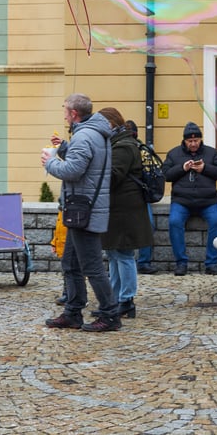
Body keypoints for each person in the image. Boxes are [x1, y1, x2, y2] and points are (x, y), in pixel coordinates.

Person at [41, 93, 120, 332]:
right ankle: (73, 312)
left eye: (65, 109)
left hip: (82, 209)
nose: (63, 113)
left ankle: (110, 315)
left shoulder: (84, 136)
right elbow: (87, 164)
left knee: (92, 266)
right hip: (82, 207)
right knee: (71, 263)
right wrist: (65, 148)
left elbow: (73, 171)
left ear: (74, 113)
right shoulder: (91, 133)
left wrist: (49, 162)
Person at [98, 108, 153, 319]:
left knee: (124, 255)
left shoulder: (124, 146)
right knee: (114, 253)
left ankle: (126, 300)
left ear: (111, 124)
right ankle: (114, 299)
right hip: (118, 209)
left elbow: (112, 176)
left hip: (125, 211)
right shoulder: (117, 143)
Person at [162, 121, 217, 276]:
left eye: (196, 140)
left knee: (216, 222)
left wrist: (205, 168)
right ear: (184, 141)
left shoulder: (211, 153)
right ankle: (181, 263)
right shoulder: (174, 154)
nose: (193, 143)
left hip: (208, 201)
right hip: (182, 201)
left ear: (201, 139)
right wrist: (182, 168)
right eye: (190, 141)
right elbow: (165, 174)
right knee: (174, 222)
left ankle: (212, 263)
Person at [125, 120, 158, 275]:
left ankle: (144, 262)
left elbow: (153, 172)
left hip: (140, 195)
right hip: (122, 196)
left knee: (148, 225)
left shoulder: (143, 150)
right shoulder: (118, 149)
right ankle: (122, 262)